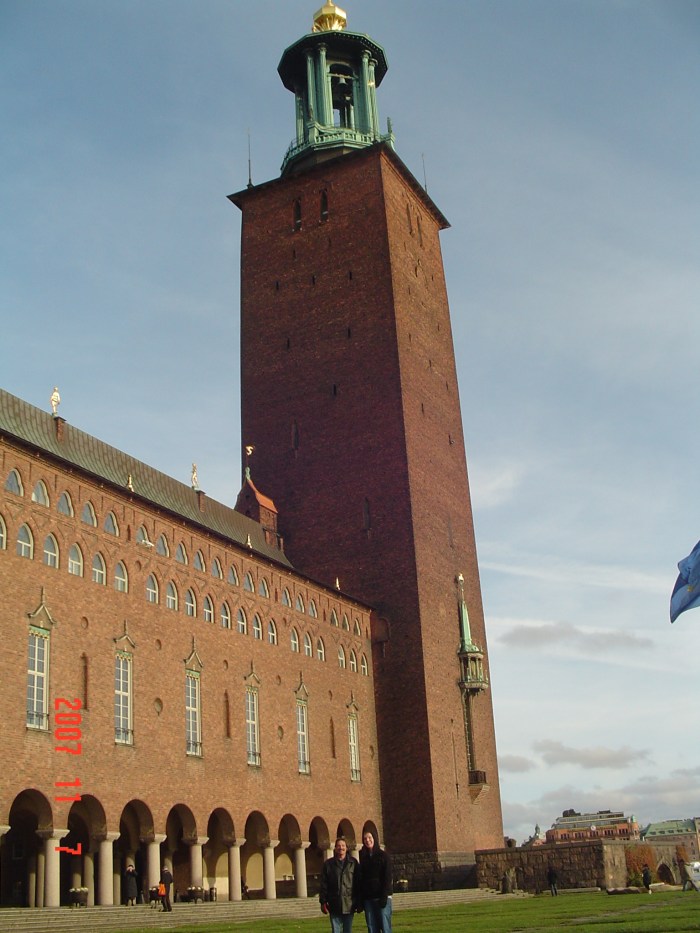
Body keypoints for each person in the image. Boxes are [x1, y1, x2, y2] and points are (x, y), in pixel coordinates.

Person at [320, 837, 362, 933]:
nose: (341, 848)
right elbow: (324, 884)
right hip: (334, 903)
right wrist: (323, 901)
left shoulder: (353, 863)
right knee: (335, 930)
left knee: (348, 930)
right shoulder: (328, 864)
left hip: (349, 903)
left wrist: (359, 901)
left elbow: (358, 883)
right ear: (335, 848)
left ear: (346, 848)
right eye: (338, 846)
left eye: (343, 846)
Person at [359, 830, 392, 932]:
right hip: (369, 898)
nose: (367, 840)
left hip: (382, 896)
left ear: (374, 839)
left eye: (369, 838)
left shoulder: (384, 856)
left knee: (385, 927)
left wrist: (384, 895)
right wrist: (361, 899)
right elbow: (361, 879)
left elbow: (387, 877)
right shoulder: (363, 858)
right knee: (372, 927)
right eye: (365, 839)